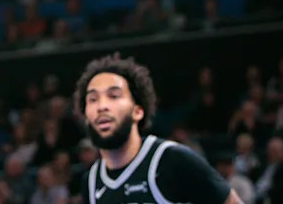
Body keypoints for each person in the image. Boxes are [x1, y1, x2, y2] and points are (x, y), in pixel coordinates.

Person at [74, 54, 242, 204]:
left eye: (114, 96)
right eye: (93, 99)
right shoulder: (91, 182)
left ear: (137, 111)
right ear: (86, 117)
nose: (102, 106)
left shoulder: (173, 160)